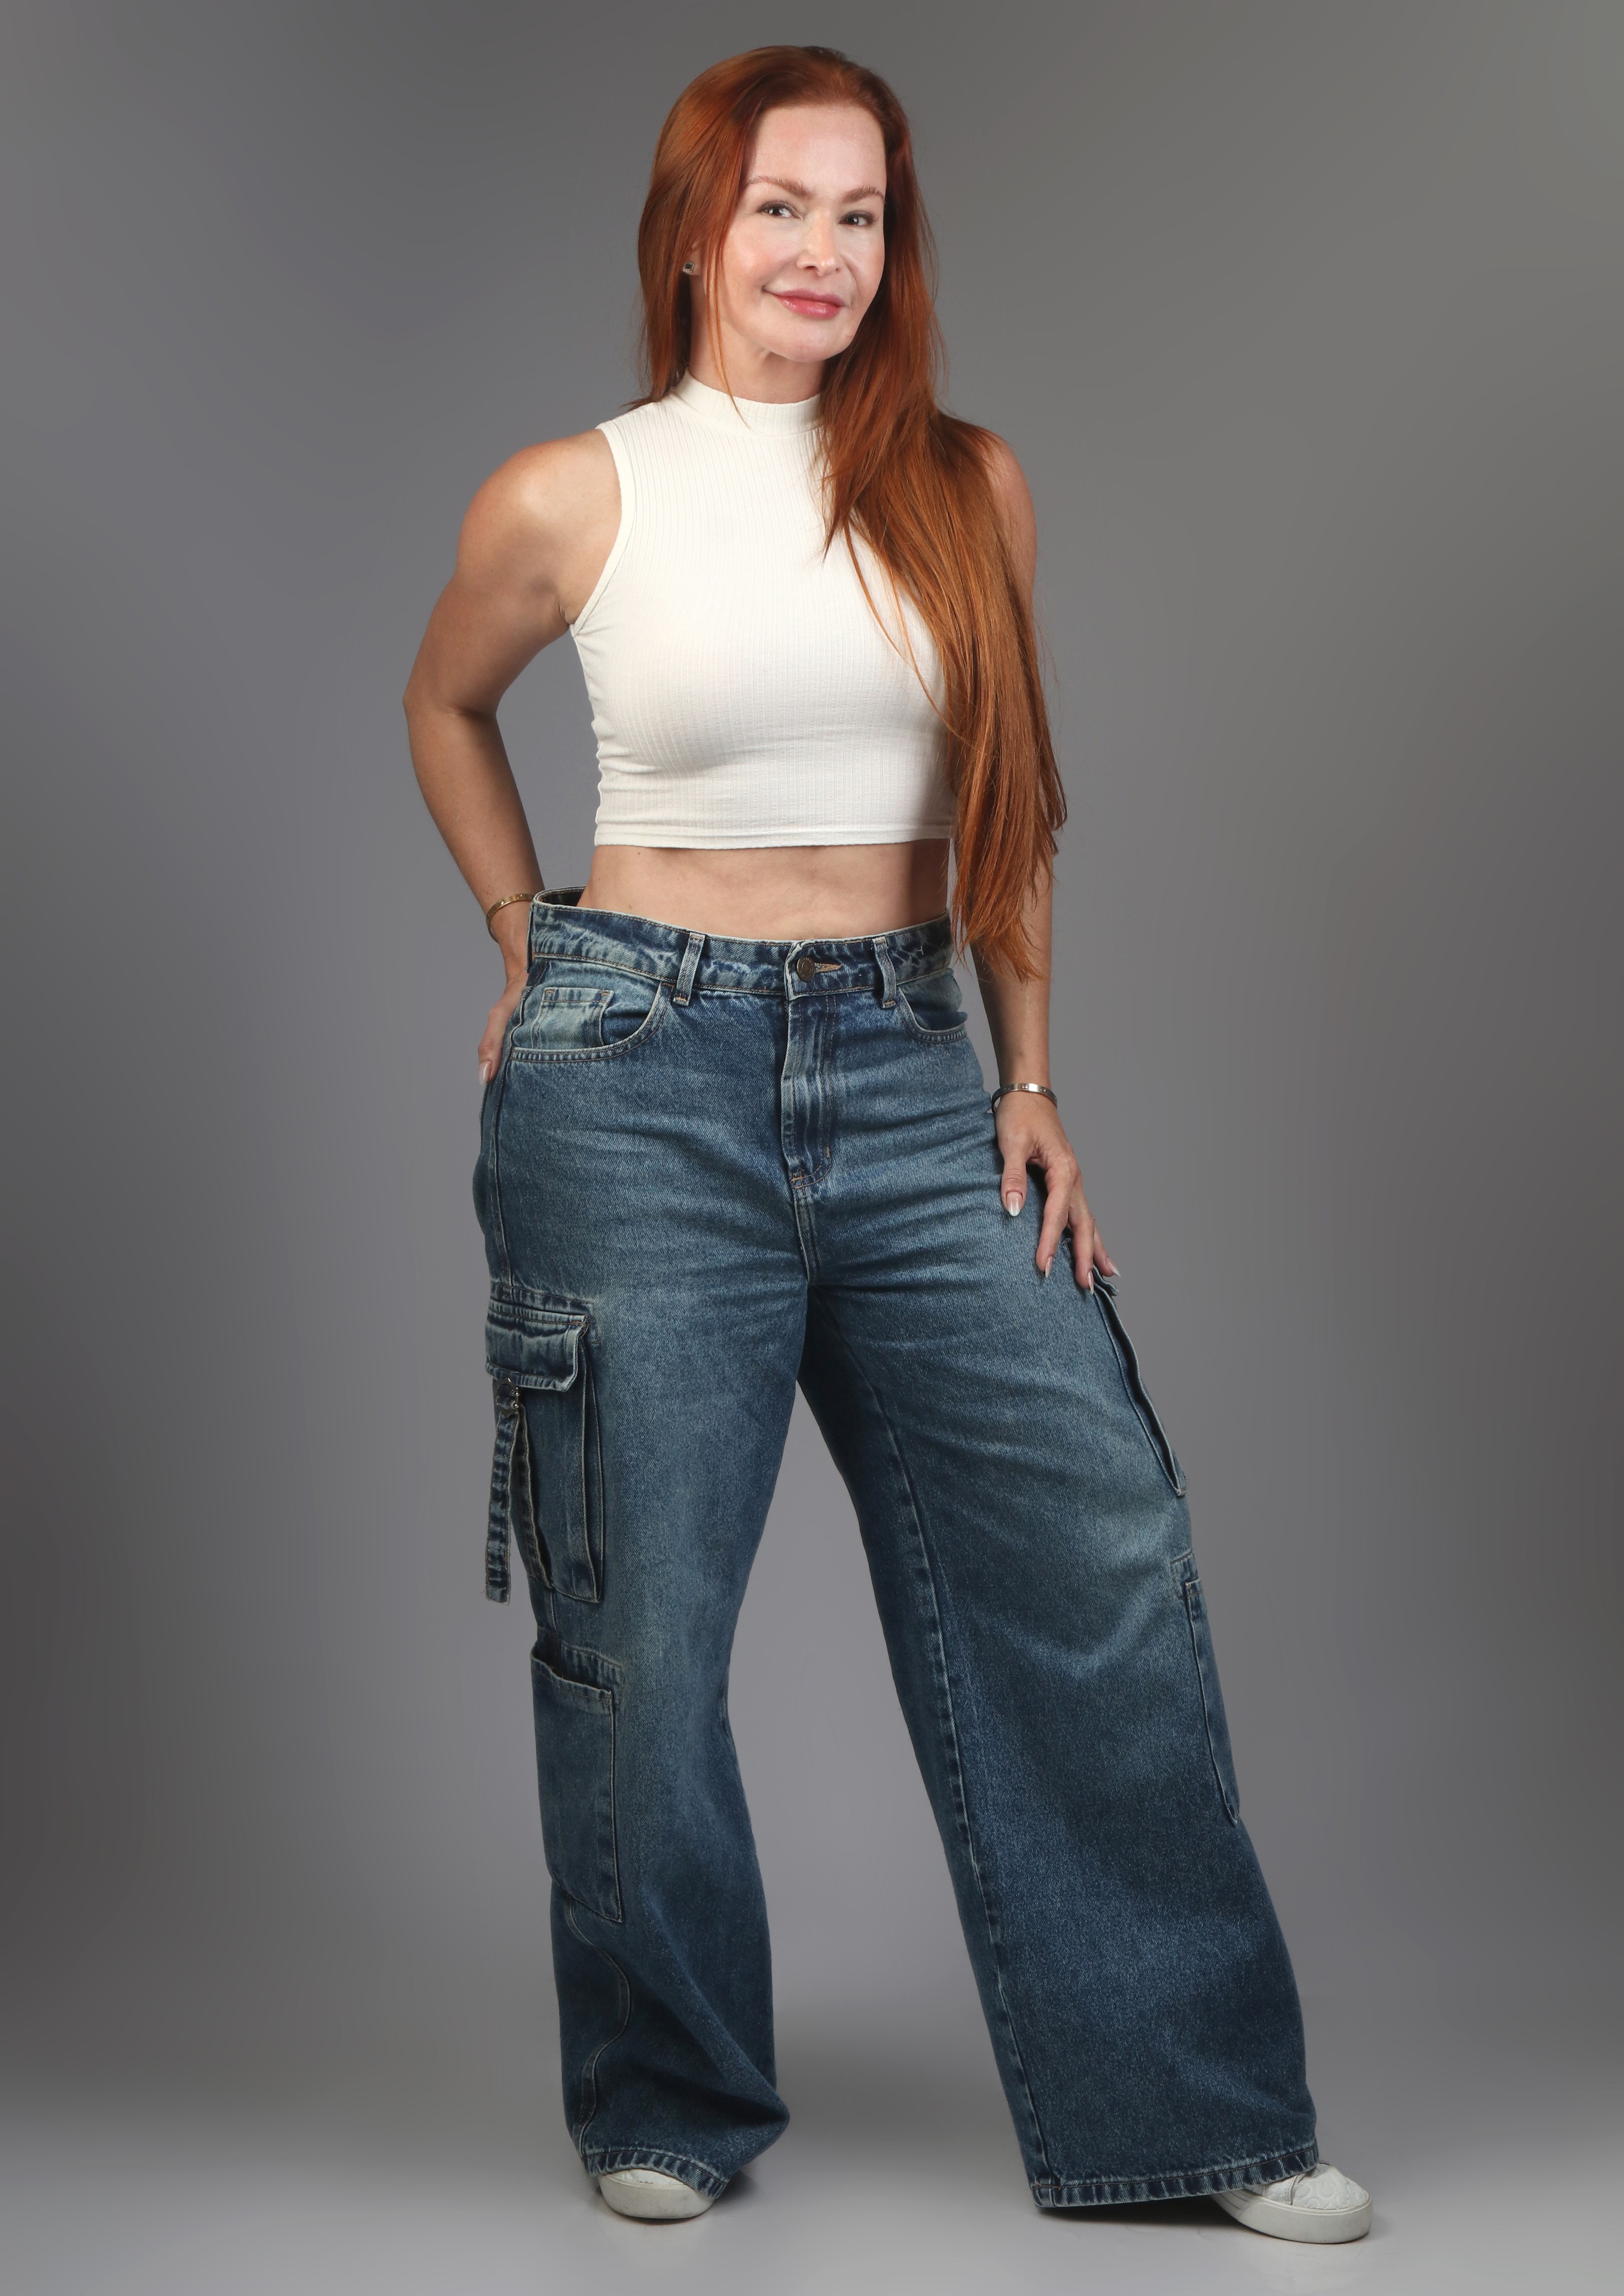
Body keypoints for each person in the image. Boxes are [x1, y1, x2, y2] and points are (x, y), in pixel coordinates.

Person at [402, 44, 1370, 2245]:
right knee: (641, 1618)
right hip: (637, 1079)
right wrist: (529, 936)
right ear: (693, 228)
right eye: (780, 207)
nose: (822, 252)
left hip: (919, 1071)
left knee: (1094, 1553)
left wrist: (1031, 1078)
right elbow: (442, 702)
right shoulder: (569, 494)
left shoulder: (962, 484)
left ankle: (1195, 2111)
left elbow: (1009, 813)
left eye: (859, 214)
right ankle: (664, 2089)